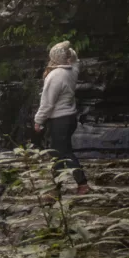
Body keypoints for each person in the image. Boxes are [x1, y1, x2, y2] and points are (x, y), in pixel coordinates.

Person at [34, 41, 91, 194]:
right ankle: (55, 187)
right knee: (56, 153)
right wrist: (68, 50)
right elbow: (75, 59)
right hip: (70, 118)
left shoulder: (55, 75)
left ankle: (82, 184)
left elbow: (47, 102)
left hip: (59, 120)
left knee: (64, 152)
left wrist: (38, 120)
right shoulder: (72, 70)